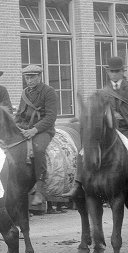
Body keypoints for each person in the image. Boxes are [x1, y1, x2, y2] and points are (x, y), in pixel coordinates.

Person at [62, 56, 128, 199]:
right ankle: (78, 184)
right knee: (83, 152)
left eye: (117, 71)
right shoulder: (101, 93)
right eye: (112, 71)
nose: (114, 74)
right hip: (106, 132)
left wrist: (121, 117)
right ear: (108, 72)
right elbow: (92, 112)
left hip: (125, 130)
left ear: (123, 71)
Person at [14, 64, 58, 206]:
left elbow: (51, 117)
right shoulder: (25, 93)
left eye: (32, 77)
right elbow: (20, 115)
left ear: (39, 76)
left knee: (38, 149)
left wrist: (34, 130)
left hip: (43, 130)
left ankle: (39, 188)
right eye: (27, 77)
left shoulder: (49, 91)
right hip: (25, 128)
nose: (29, 80)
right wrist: (15, 127)